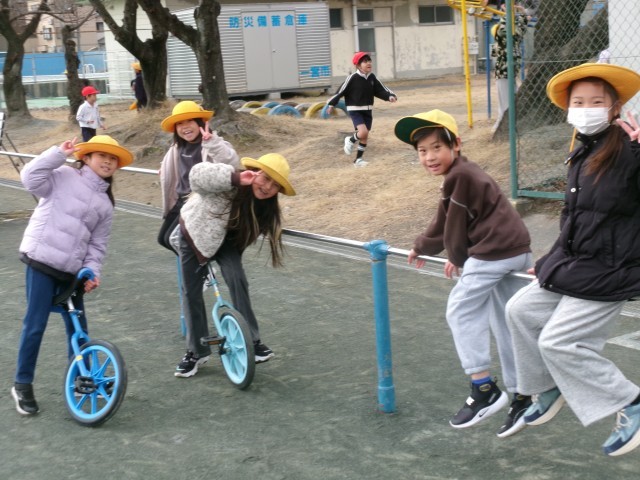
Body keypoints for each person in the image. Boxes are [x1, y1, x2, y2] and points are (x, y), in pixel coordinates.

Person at [505, 63, 640, 457]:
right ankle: (546, 388)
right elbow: (574, 217)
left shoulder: (630, 150)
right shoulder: (583, 150)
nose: (586, 109)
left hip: (613, 269)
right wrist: (551, 261)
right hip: (578, 263)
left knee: (560, 342)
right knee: (519, 310)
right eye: (578, 102)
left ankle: (631, 403)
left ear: (614, 108)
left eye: (596, 102)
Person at [394, 109, 533, 437]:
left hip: (494, 253)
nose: (429, 157)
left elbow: (451, 226)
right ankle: (523, 395)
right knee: (506, 322)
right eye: (422, 151)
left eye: (436, 148)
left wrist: (453, 255)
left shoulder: (460, 176)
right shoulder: (465, 173)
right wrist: (432, 246)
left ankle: (484, 388)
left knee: (460, 309)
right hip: (514, 249)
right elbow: (448, 220)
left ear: (455, 145)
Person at [11, 135, 134, 416]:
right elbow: (30, 178)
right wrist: (58, 153)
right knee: (35, 325)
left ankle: (81, 381)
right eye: (101, 155)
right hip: (42, 261)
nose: (107, 162)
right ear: (86, 158)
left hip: (72, 272)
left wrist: (92, 272)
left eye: (113, 158)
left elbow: (97, 244)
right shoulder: (64, 175)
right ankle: (22, 384)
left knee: (78, 329)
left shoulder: (105, 203)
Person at [172, 153, 296, 377]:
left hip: (225, 241)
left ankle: (252, 341)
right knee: (191, 292)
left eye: (275, 185)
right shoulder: (231, 182)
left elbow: (244, 237)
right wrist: (235, 178)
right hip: (194, 233)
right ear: (254, 173)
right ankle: (196, 351)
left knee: (237, 278)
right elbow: (196, 176)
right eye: (265, 178)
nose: (268, 187)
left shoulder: (265, 207)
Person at [158, 101, 240, 253]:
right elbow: (169, 161)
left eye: (190, 121)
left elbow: (231, 163)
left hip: (198, 203)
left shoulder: (212, 144)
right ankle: (194, 261)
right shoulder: (177, 146)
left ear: (200, 123)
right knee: (163, 239)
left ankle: (198, 265)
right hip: (179, 200)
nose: (185, 127)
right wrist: (163, 168)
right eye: (180, 123)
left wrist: (212, 142)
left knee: (174, 239)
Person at [326, 52, 397, 167]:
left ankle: (358, 160)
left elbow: (380, 90)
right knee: (362, 132)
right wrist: (331, 104)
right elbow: (341, 91)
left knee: (364, 136)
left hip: (367, 110)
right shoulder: (352, 78)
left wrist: (390, 96)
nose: (368, 63)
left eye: (369, 61)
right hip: (355, 110)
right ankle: (350, 140)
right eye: (365, 61)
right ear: (358, 65)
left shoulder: (372, 77)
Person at [490, 4, 528, 132]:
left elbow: (520, 29)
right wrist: (507, 13)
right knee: (506, 104)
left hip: (509, 73)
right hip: (504, 74)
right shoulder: (502, 38)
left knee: (513, 99)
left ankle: (505, 125)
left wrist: (522, 12)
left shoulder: (513, 39)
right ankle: (500, 127)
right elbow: (506, 28)